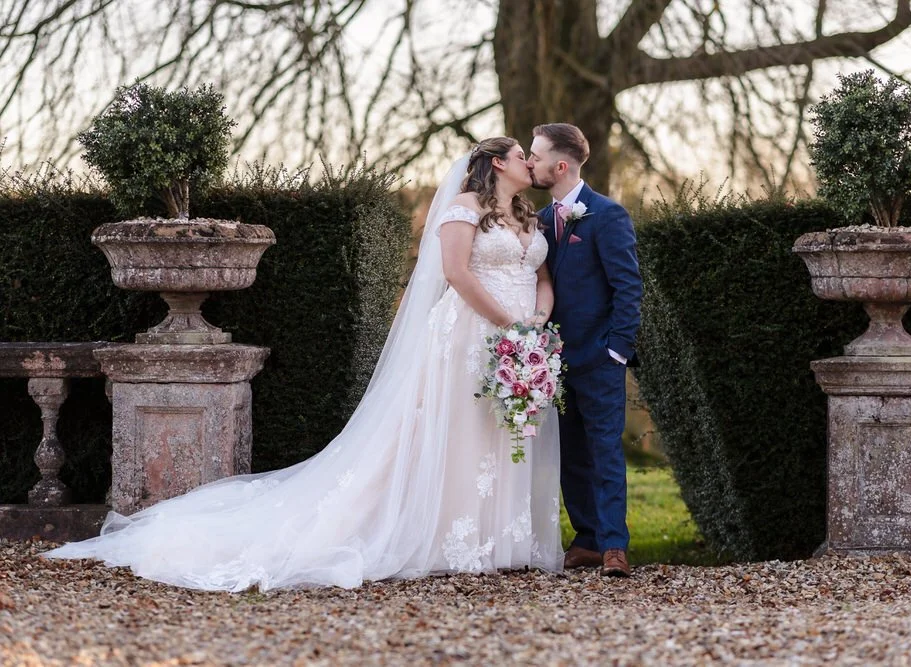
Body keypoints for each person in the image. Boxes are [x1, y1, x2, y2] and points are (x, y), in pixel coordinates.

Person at [45, 138, 564, 591]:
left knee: (500, 431)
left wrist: (536, 321)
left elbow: (540, 274)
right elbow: (455, 273)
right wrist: (508, 324)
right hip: (471, 333)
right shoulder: (464, 206)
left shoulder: (526, 215)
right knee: (456, 430)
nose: (530, 163)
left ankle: (495, 540)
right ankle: (445, 535)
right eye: (523, 155)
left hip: (520, 337)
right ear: (497, 163)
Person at [527, 123, 643, 577]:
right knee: (568, 452)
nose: (530, 163)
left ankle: (615, 544)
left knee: (604, 450)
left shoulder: (608, 216)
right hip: (549, 362)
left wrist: (617, 350)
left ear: (561, 165)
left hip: (599, 358)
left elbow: (627, 286)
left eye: (535, 156)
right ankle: (588, 539)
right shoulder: (536, 221)